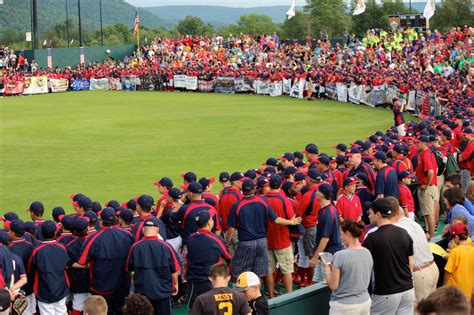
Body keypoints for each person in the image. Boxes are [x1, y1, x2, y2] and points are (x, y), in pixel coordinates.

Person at [226, 179, 301, 282]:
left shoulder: (237, 205)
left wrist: (227, 243)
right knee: (258, 272)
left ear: (242, 190)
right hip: (262, 242)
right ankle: (256, 294)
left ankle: (241, 295)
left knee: (240, 271)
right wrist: (291, 222)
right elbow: (277, 220)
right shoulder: (262, 201)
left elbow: (231, 229)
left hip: (246, 242)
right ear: (254, 189)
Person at [362, 198, 415, 315]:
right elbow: (411, 264)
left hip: (386, 292)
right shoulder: (404, 233)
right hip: (407, 289)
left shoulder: (371, 238)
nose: (369, 216)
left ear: (379, 215)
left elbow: (363, 268)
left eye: (371, 213)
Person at [78, 207, 135, 315]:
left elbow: (82, 261)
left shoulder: (93, 237)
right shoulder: (128, 235)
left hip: (102, 285)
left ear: (101, 221)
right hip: (123, 283)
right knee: (120, 311)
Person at [126, 216, 180, 315]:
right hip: (162, 292)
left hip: (142, 293)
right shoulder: (166, 246)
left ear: (143, 229)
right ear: (158, 229)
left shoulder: (135, 247)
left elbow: (129, 268)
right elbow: (175, 269)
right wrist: (175, 284)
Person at [390, 197, 439, 302]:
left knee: (420, 310)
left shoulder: (399, 228)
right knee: (433, 309)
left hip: (420, 273)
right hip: (432, 268)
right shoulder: (414, 223)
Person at [322, 219, 373, 315]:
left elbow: (333, 285)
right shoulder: (367, 252)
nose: (340, 237)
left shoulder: (340, 255)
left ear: (347, 233)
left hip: (344, 306)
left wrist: (326, 268)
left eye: (341, 234)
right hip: (365, 302)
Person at [186, 211, 231, 310]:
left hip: (194, 280)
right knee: (213, 309)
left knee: (194, 309)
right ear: (209, 222)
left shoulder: (191, 238)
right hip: (211, 281)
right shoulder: (216, 239)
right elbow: (228, 257)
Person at [263, 174, 297, 297]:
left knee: (269, 270)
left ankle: (271, 295)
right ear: (280, 185)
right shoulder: (284, 200)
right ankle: (289, 296)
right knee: (287, 270)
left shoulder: (263, 199)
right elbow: (292, 219)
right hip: (282, 240)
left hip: (267, 239)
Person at [27, 220, 70, 315]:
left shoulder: (37, 250)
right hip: (60, 287)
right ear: (55, 232)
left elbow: (30, 268)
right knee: (61, 312)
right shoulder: (62, 247)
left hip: (43, 288)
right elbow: (66, 264)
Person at [309, 183, 344, 283]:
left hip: (329, 253)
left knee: (326, 283)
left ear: (322, 195)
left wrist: (315, 258)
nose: (316, 193)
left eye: (318, 191)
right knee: (318, 282)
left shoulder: (327, 213)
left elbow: (325, 238)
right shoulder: (328, 209)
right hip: (328, 251)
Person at [67, 217, 92, 315]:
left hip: (78, 280)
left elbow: (69, 263)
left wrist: (83, 266)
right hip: (93, 280)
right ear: (87, 228)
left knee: (77, 306)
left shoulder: (70, 245)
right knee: (93, 307)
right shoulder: (94, 240)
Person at [444, 222, 474, 302]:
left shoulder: (455, 252)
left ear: (456, 237)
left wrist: (443, 287)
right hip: (468, 291)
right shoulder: (472, 250)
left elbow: (448, 272)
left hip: (455, 292)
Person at [416, 135, 438, 239]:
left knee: (429, 214)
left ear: (424, 143)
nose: (417, 144)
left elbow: (431, 171)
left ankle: (432, 238)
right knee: (428, 213)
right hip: (431, 187)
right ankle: (429, 233)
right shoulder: (429, 152)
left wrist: (427, 184)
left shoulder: (425, 154)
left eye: (418, 142)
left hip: (427, 188)